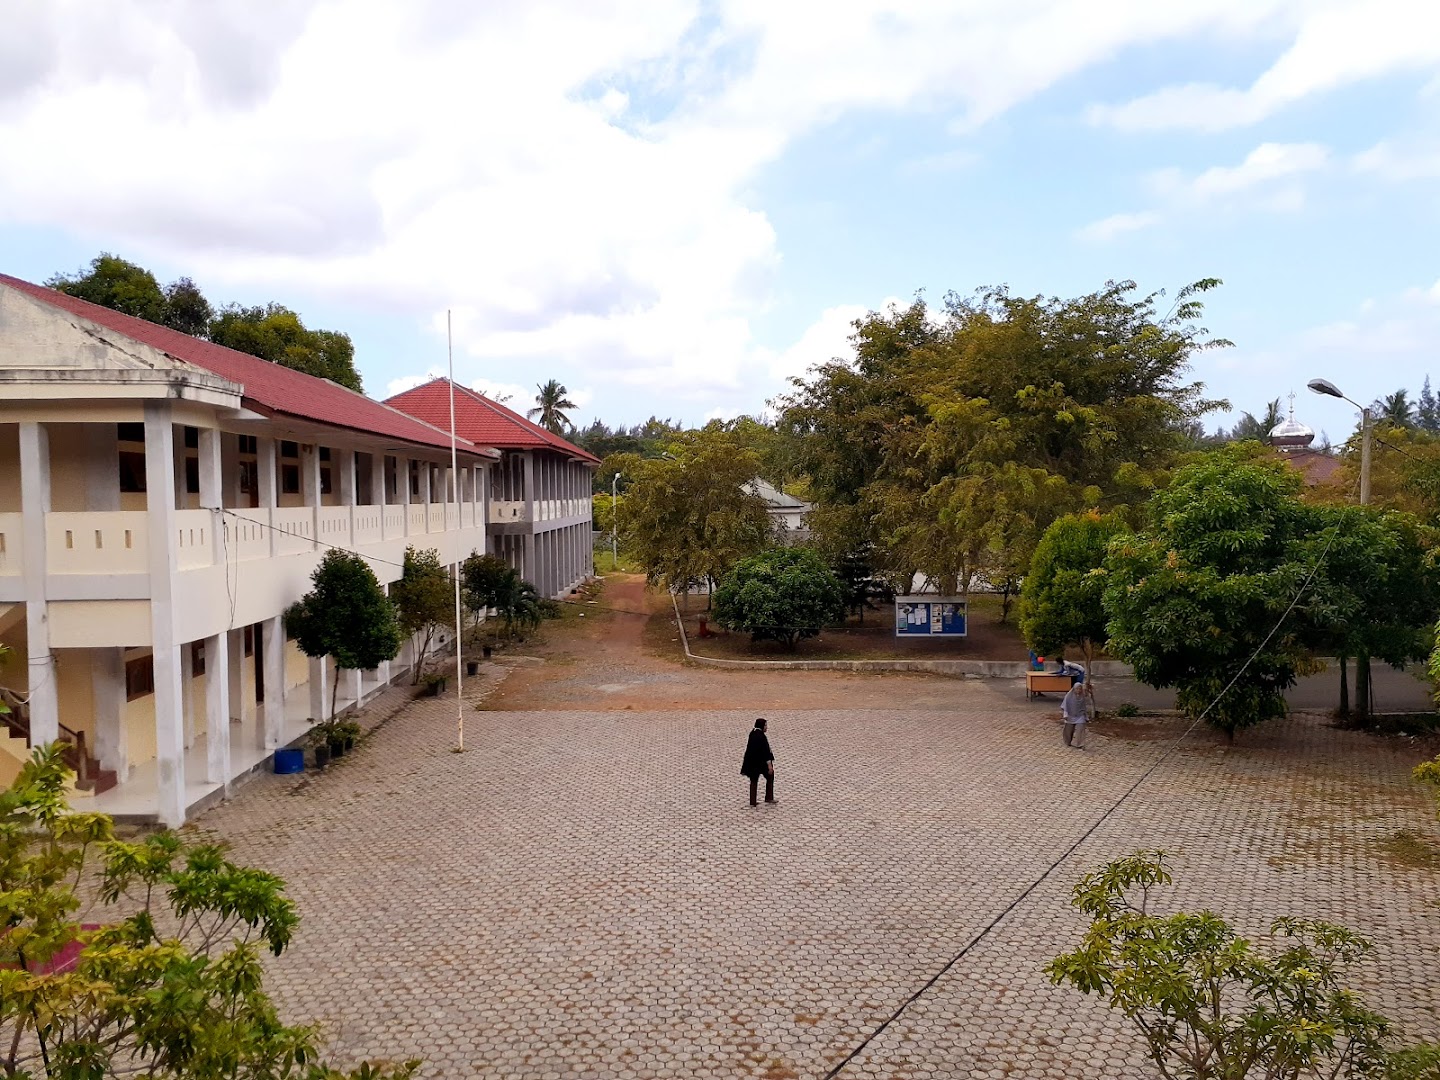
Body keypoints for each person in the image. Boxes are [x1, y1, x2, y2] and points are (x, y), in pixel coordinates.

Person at [741, 718, 775, 805]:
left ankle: (753, 801)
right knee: (770, 776)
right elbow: (766, 751)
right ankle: (769, 797)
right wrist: (769, 765)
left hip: (751, 762)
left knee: (753, 781)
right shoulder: (761, 737)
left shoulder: (752, 733)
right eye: (765, 725)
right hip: (760, 763)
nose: (766, 727)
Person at [1060, 681, 1092, 749]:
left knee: (1080, 729)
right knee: (1068, 730)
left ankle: (1080, 744)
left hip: (1080, 715)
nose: (1078, 690)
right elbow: (1065, 706)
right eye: (1077, 689)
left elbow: (1083, 707)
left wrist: (1086, 716)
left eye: (1080, 689)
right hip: (1070, 715)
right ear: (1074, 689)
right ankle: (1067, 741)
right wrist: (1065, 714)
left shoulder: (1082, 697)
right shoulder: (1068, 696)